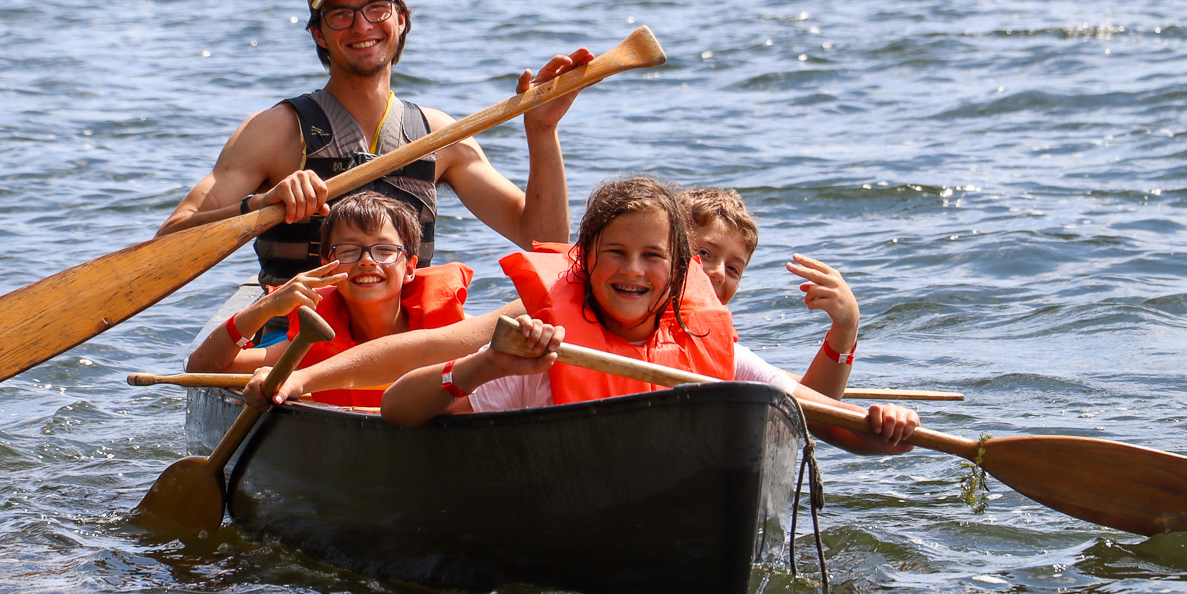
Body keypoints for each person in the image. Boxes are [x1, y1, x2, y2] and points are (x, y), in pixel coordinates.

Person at [154, 0, 590, 288]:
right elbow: (170, 242)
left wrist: (543, 130)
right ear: (318, 34)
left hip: (397, 347)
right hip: (297, 341)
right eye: (340, 15)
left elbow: (543, 241)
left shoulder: (440, 136)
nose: (361, 27)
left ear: (400, 20)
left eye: (376, 8)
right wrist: (260, 204)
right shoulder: (274, 132)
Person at [377, 177, 917, 451]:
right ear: (585, 259)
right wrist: (490, 364)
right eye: (615, 252)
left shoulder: (721, 353)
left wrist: (886, 429)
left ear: (680, 268)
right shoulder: (540, 351)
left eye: (653, 256)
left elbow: (827, 423)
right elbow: (396, 408)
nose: (633, 270)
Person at [185, 192, 471, 407]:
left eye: (384, 251)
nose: (367, 262)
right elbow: (204, 367)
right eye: (348, 251)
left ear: (409, 267)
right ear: (326, 265)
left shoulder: (454, 337)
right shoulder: (307, 349)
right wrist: (266, 307)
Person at [682, 187, 861, 402]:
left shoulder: (732, 357)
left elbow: (818, 404)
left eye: (733, 269)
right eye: (704, 253)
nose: (719, 273)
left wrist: (847, 327)